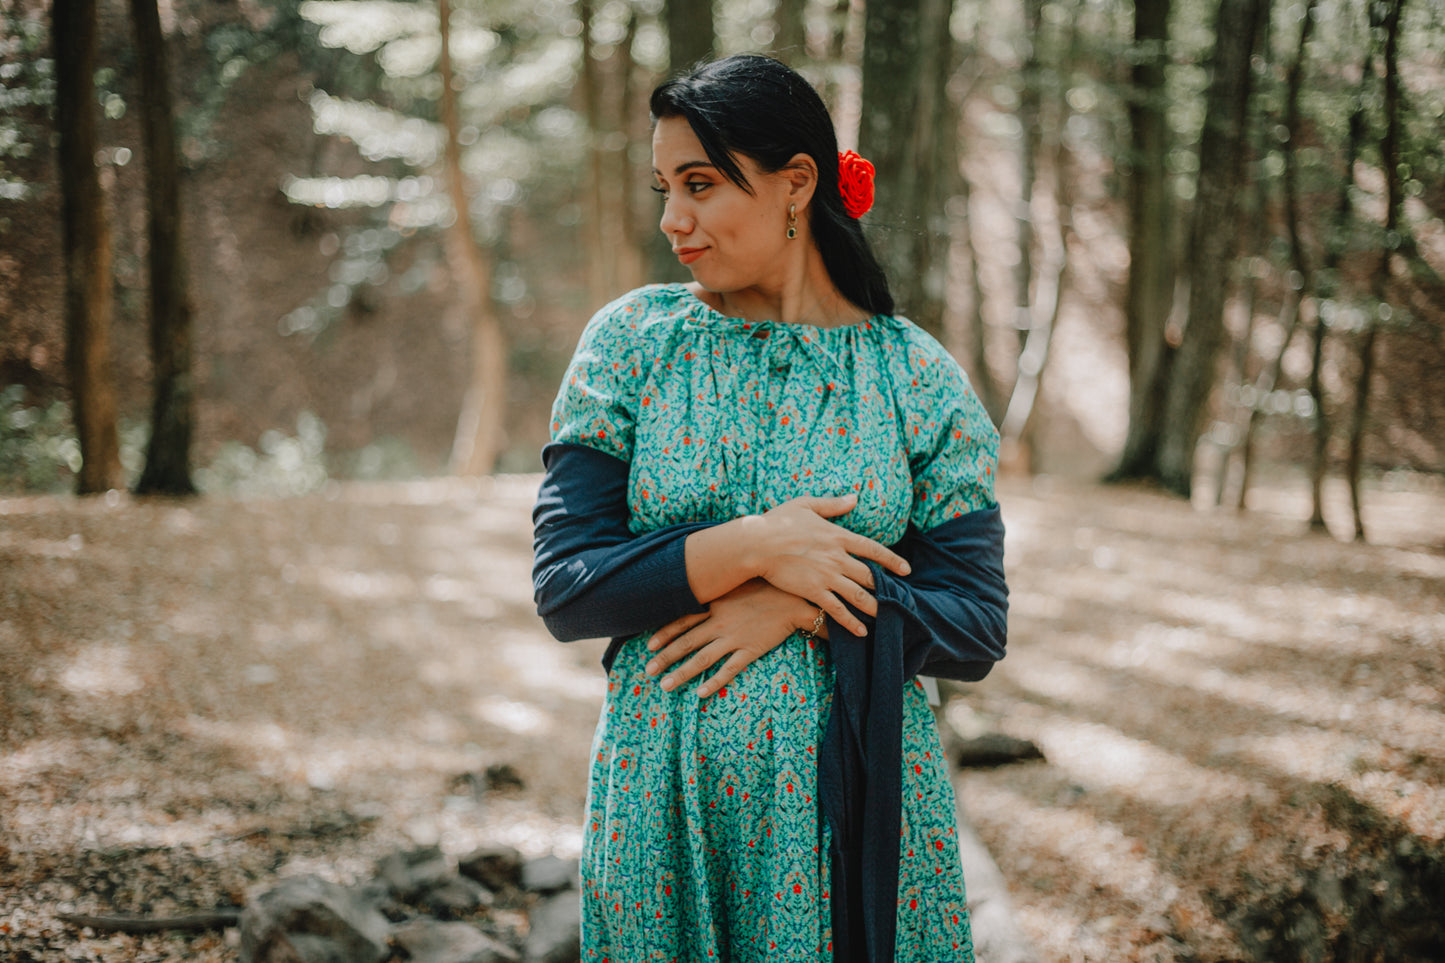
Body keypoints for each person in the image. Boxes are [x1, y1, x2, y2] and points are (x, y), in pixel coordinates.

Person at [532, 54, 1007, 963]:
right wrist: (756, 543)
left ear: (797, 184)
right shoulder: (633, 344)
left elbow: (976, 623)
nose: (673, 217)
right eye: (665, 186)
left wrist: (805, 600)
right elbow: (568, 586)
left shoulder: (914, 378)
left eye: (702, 184)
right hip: (663, 806)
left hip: (858, 807)